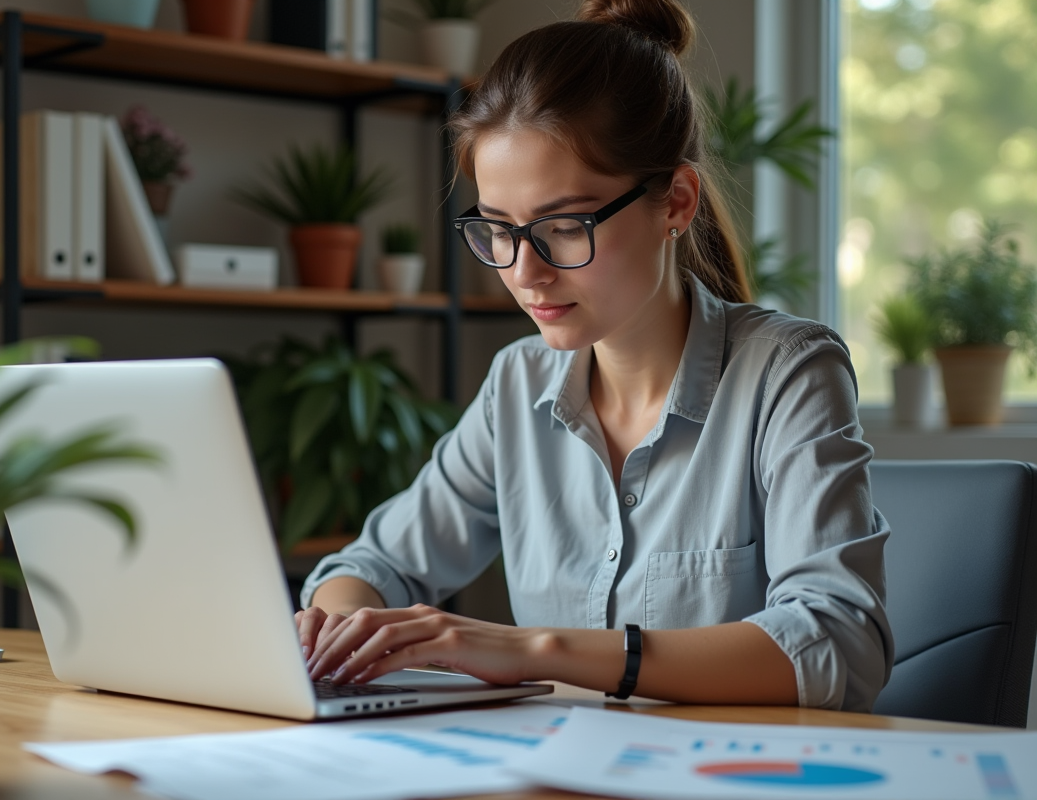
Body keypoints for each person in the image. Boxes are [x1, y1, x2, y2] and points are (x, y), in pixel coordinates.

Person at [296, 0, 893, 712]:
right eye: (497, 231)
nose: (525, 272)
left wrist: (539, 651)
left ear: (675, 202)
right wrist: (337, 627)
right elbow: (374, 565)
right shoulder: (518, 385)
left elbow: (836, 640)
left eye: (564, 226)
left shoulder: (788, 372)